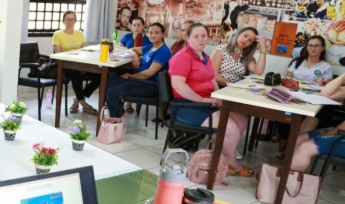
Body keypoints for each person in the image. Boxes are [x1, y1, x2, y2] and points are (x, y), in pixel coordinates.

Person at [168, 23, 252, 176]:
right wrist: (201, 99)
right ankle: (233, 163)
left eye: (203, 36)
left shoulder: (204, 56)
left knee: (242, 119)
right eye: (196, 36)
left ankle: (221, 157)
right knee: (231, 126)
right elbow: (178, 85)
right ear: (187, 38)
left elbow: (212, 79)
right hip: (187, 106)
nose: (201, 40)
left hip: (205, 102)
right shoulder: (182, 57)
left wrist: (217, 95)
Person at [275, 35, 334, 157]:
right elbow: (287, 79)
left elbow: (328, 87)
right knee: (282, 112)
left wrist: (325, 83)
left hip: (313, 99)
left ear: (322, 48)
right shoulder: (297, 62)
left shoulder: (326, 67)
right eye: (310, 45)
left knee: (312, 115)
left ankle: (292, 149)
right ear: (307, 47)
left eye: (316, 46)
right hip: (293, 97)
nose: (313, 48)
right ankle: (285, 139)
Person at [105, 23, 172, 117]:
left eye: (157, 33)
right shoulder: (151, 47)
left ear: (163, 34)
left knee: (111, 91)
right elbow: (132, 49)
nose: (153, 35)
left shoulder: (163, 51)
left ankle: (116, 117)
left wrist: (130, 76)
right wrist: (134, 55)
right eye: (151, 32)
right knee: (109, 81)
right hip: (140, 80)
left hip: (150, 86)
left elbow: (149, 73)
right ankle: (117, 112)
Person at [52, 11, 99, 115]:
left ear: (75, 21)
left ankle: (77, 100)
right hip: (66, 66)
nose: (70, 21)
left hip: (81, 64)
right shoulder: (58, 34)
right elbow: (59, 55)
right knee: (75, 74)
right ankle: (83, 102)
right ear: (63, 21)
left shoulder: (80, 33)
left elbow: (84, 52)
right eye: (67, 19)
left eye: (72, 19)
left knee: (100, 75)